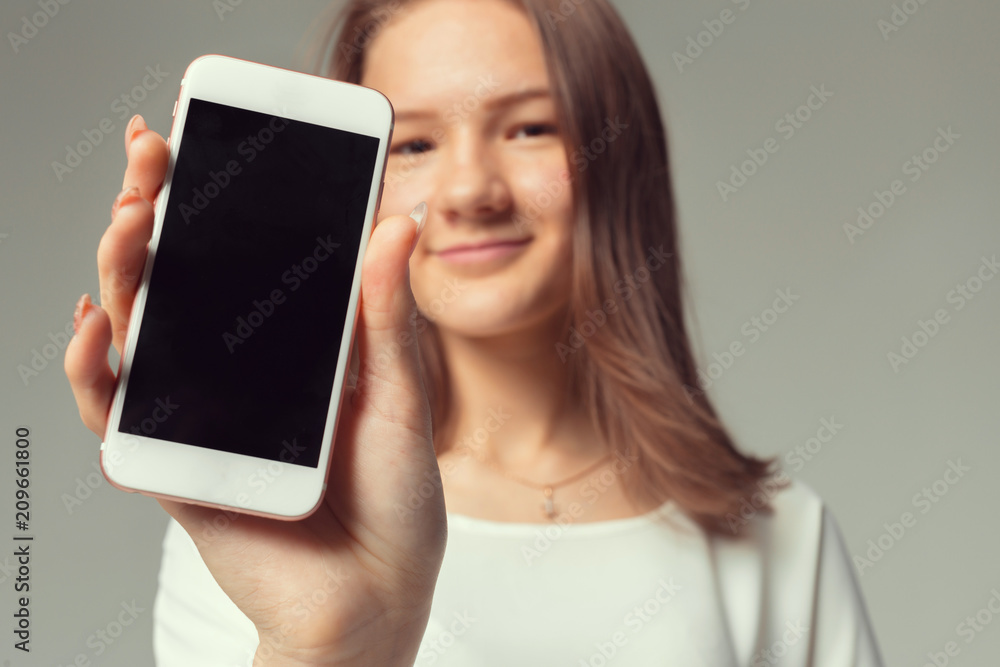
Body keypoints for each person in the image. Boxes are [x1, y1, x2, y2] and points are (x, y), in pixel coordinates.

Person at [64, 0, 885, 664]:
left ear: (617, 157)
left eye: (529, 127)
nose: (469, 191)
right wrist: (329, 646)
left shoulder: (783, 538)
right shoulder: (271, 535)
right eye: (414, 143)